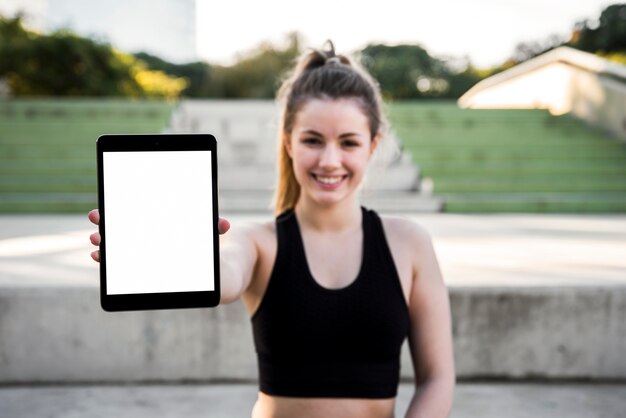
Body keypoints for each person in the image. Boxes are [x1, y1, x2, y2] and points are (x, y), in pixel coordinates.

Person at [88, 41, 455, 418]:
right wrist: (179, 251)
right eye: (312, 140)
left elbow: (438, 377)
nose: (330, 161)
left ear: (372, 146)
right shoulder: (258, 241)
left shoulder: (409, 243)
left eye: (349, 143)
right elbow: (226, 276)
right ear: (288, 142)